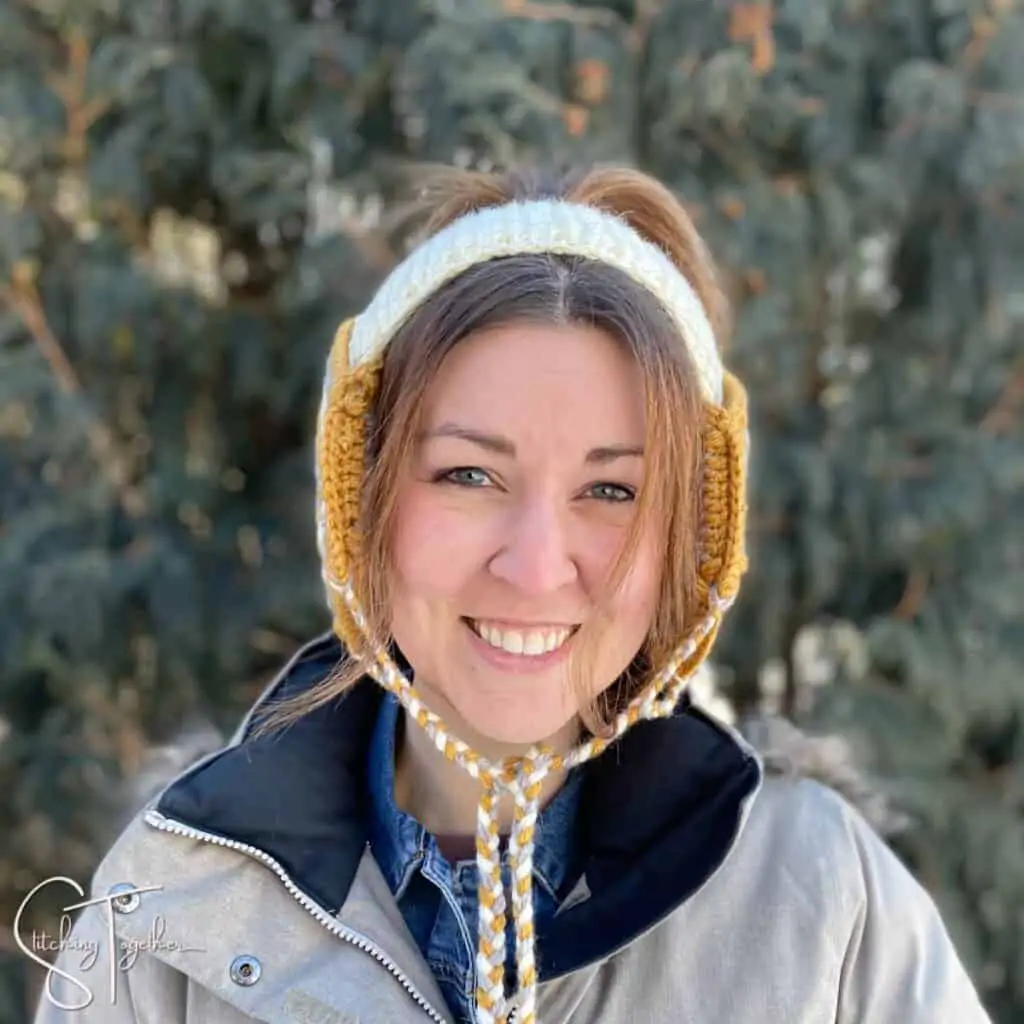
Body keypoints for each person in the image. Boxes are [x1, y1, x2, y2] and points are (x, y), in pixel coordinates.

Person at [31, 164, 991, 1024]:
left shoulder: (826, 903)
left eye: (612, 491)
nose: (537, 567)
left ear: (689, 542)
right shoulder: (167, 912)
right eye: (467, 476)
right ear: (361, 499)